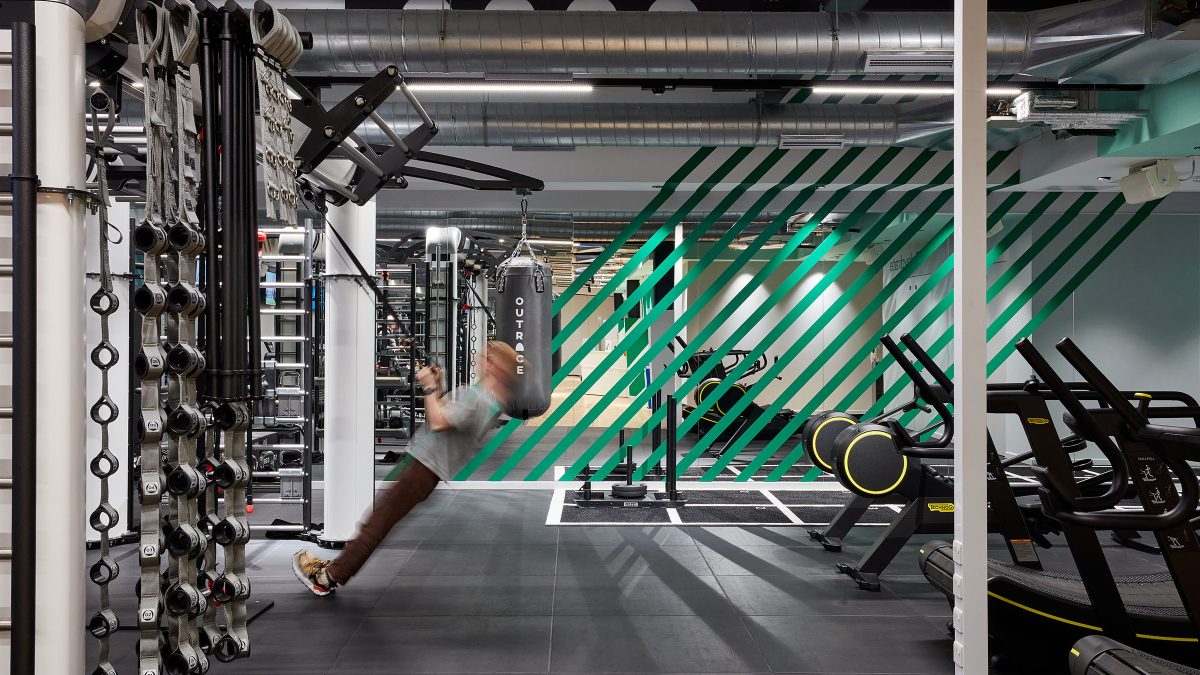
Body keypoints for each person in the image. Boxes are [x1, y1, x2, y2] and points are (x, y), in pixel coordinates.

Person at [292, 340, 519, 595]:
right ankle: (335, 570)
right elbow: (445, 411)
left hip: (422, 468)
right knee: (377, 521)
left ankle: (328, 578)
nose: (482, 361)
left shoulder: (478, 397)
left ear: (497, 367)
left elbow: (438, 422)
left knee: (376, 525)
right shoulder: (487, 400)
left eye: (488, 359)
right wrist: (439, 387)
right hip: (423, 465)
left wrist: (429, 386)